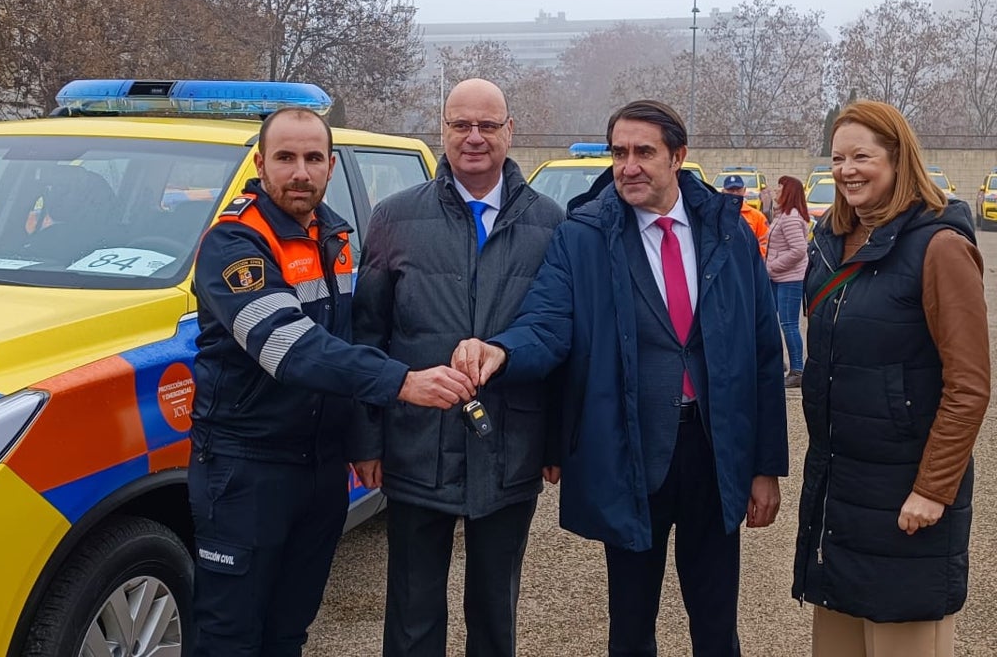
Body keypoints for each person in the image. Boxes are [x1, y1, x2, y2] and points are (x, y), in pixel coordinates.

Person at [454, 99, 788, 657]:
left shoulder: (727, 233)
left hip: (714, 451)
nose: (628, 166)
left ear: (678, 157)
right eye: (619, 152)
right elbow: (546, 323)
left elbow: (760, 356)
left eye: (643, 152)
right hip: (632, 452)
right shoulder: (583, 235)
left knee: (716, 620)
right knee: (630, 624)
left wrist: (765, 468)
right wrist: (502, 351)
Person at [188, 106, 477, 657]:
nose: (301, 171)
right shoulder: (234, 244)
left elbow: (355, 338)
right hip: (246, 466)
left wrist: (363, 437)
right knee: (228, 634)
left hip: (320, 468)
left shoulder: (334, 236)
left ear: (330, 165)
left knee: (289, 629)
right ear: (260, 163)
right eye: (286, 158)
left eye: (313, 158)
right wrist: (401, 383)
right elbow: (286, 346)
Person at [351, 78, 564, 657]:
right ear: (441, 130)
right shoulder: (393, 218)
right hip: (417, 442)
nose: (473, 137)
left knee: (495, 610)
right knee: (413, 611)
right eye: (459, 125)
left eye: (487, 126)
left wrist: (557, 442)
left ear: (509, 132)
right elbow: (369, 335)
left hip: (510, 443)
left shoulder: (551, 224)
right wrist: (367, 437)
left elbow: (563, 339)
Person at [793, 101, 990, 657]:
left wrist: (933, 490)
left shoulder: (939, 247)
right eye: (837, 158)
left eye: (862, 156)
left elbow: (969, 385)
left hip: (907, 502)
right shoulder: (829, 243)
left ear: (900, 158)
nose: (847, 170)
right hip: (840, 494)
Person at [765, 175, 810, 389]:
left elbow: (799, 250)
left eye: (780, 187)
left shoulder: (791, 217)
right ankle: (778, 362)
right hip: (778, 278)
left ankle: (798, 370)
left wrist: (772, 266)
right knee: (770, 321)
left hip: (789, 280)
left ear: (788, 191)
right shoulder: (783, 215)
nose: (776, 190)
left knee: (789, 324)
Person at [721, 173, 769, 257]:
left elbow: (766, 243)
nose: (735, 193)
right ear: (723, 191)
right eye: (731, 190)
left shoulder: (757, 217)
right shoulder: (716, 214)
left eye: (738, 190)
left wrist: (752, 259)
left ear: (744, 191)